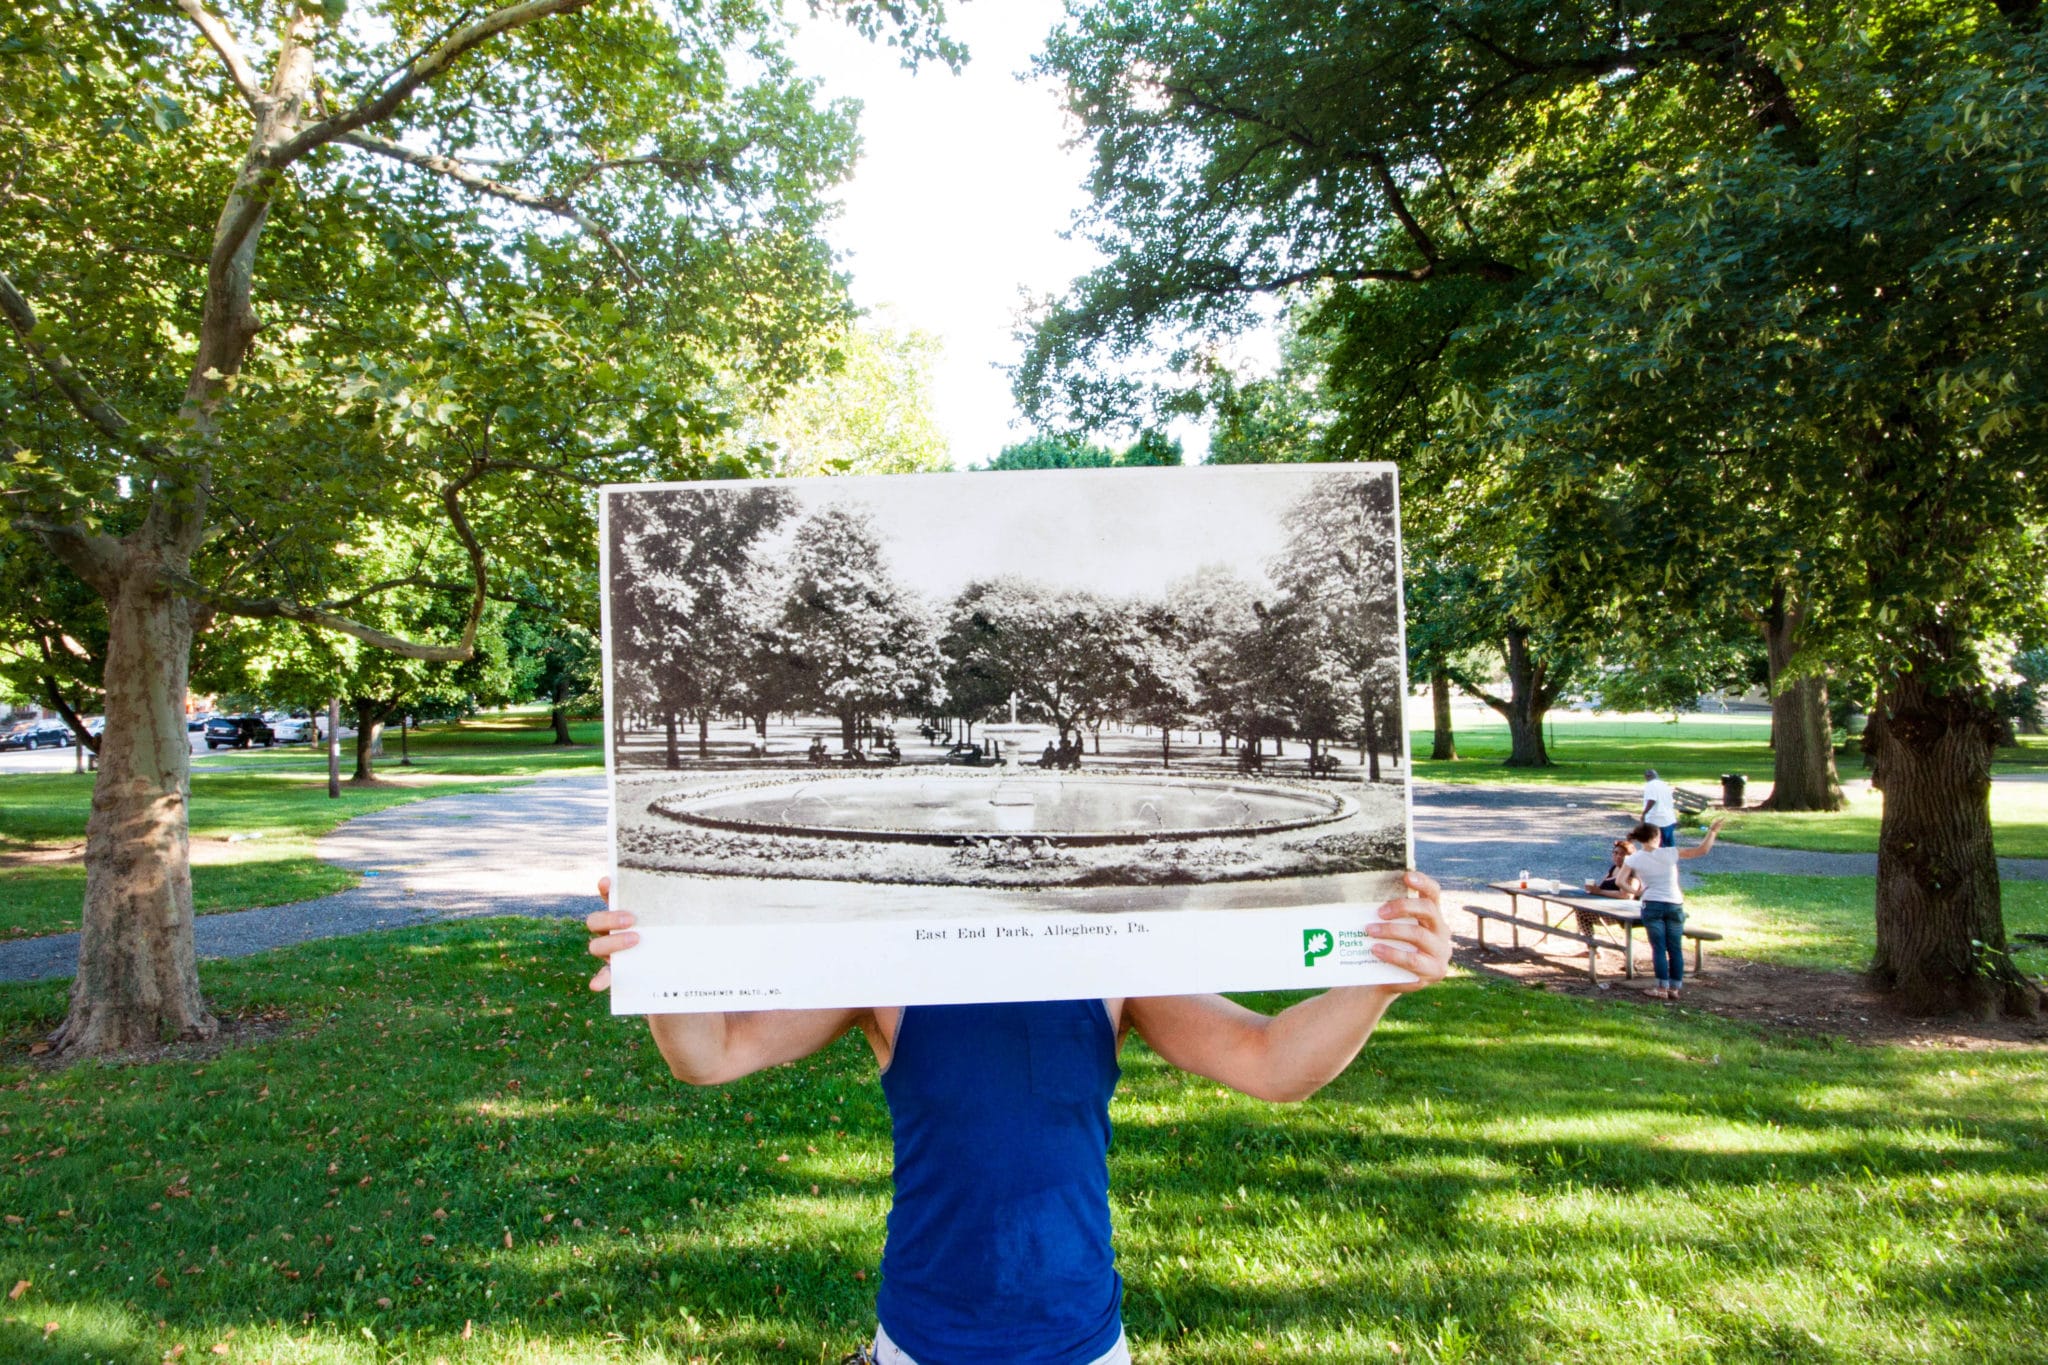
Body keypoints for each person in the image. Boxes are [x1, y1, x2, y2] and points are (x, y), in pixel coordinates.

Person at [584, 871, 1453, 1365]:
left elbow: (1271, 1062)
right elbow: (714, 1052)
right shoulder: (884, 960)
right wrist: (658, 965)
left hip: (1082, 1340)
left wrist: (1380, 980)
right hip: (924, 1340)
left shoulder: (1114, 957)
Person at [1622, 818, 1722, 1000]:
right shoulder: (1669, 853)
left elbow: (1619, 881)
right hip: (1674, 903)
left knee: (1658, 946)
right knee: (1675, 946)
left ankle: (1661, 987)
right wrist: (1712, 831)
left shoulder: (1634, 858)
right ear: (1656, 837)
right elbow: (1702, 850)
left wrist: (1637, 891)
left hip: (1651, 903)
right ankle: (1675, 988)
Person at [1640, 769, 1679, 852]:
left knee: (1657, 846)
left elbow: (1652, 800)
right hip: (1669, 819)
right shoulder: (1664, 785)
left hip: (1656, 820)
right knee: (1669, 847)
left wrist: (1644, 813)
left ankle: (1659, 863)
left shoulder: (1650, 785)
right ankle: (1670, 863)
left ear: (1647, 777)